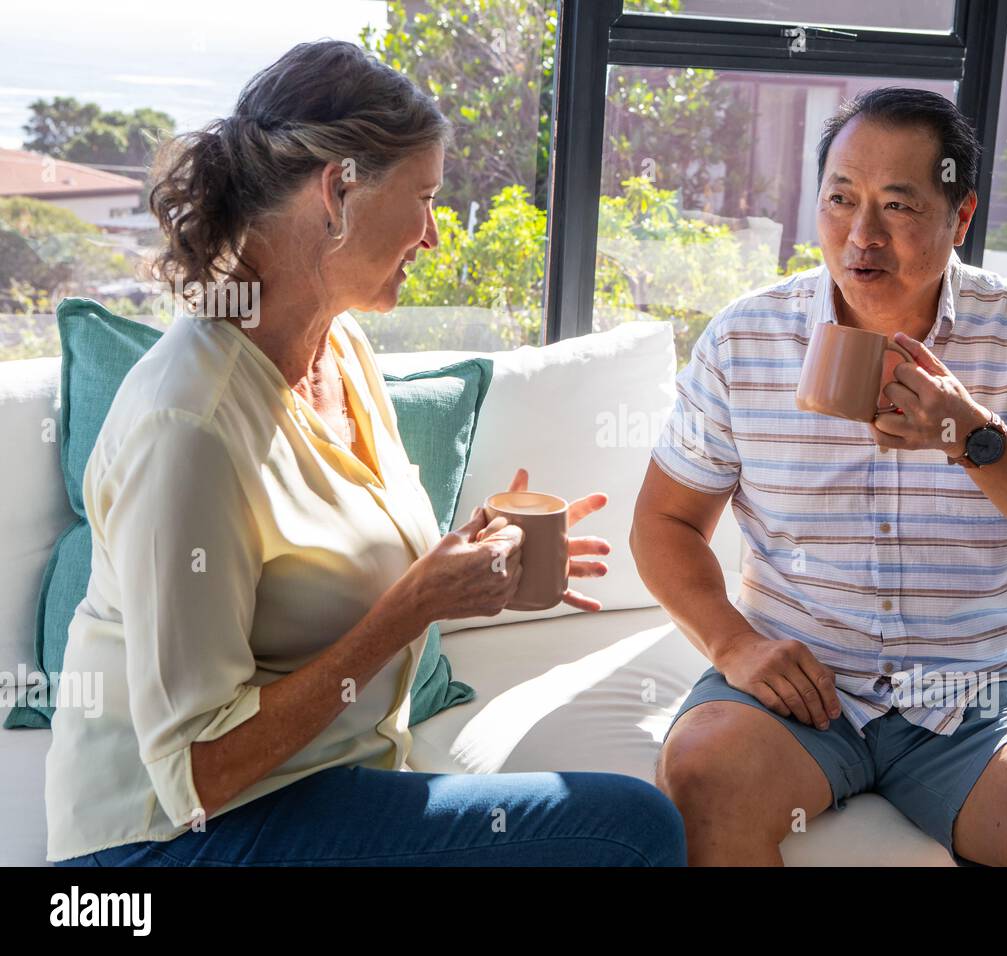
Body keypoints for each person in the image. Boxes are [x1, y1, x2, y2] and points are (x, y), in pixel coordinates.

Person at [47, 40, 686, 867]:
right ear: (336, 190)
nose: (431, 234)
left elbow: (343, 563)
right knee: (628, 831)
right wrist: (413, 606)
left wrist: (473, 564)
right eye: (422, 198)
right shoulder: (189, 429)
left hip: (324, 787)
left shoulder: (338, 350)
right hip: (167, 840)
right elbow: (196, 775)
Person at [631, 87, 1007, 867]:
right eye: (840, 199)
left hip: (974, 694)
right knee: (702, 777)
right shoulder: (747, 338)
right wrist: (735, 645)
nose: (861, 235)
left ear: (962, 215)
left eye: (899, 206)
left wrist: (973, 436)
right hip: (797, 685)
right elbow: (662, 524)